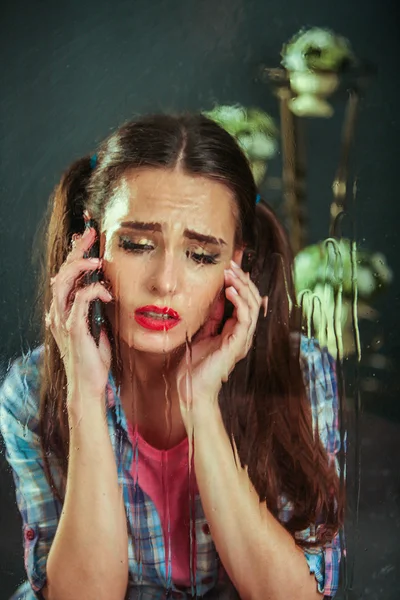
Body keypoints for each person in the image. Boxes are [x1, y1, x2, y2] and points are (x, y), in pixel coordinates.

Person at [0, 113, 345, 600]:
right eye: (138, 244)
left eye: (201, 255)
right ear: (91, 243)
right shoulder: (28, 390)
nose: (165, 282)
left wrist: (200, 403)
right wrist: (85, 394)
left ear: (237, 263)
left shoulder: (303, 375)